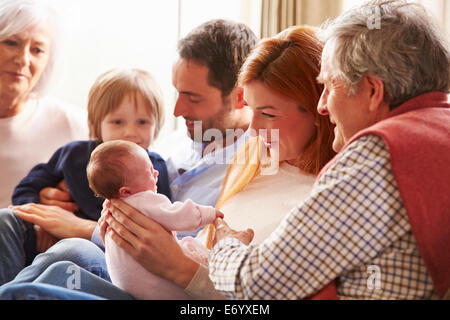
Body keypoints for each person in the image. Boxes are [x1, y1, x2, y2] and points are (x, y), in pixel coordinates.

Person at [0, 25, 337, 300]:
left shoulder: (308, 191)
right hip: (138, 262)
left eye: (266, 113)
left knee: (48, 276)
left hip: (174, 286)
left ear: (320, 108)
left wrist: (88, 228)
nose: (176, 112)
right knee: (23, 232)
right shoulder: (235, 152)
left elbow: (240, 292)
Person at [207, 0, 450, 300]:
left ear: (373, 91)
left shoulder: (375, 156)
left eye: (330, 87)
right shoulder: (438, 130)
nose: (322, 105)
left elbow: (259, 283)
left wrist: (225, 245)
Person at [0, 68, 170, 285]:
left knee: (72, 249)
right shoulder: (73, 155)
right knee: (4, 218)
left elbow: (159, 221)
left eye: (142, 122)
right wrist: (41, 223)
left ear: (157, 126)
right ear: (97, 124)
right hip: (46, 238)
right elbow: (27, 187)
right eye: (117, 122)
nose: (130, 132)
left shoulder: (155, 167)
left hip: (100, 253)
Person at [87, 140, 222, 299]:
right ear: (126, 191)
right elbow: (179, 216)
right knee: (190, 246)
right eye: (149, 172)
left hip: (125, 286)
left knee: (64, 263)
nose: (156, 173)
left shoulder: (111, 208)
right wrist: (209, 214)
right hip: (160, 290)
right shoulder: (145, 200)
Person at [0, 0, 88, 208]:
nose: (23, 60)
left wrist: (71, 196)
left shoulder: (74, 124)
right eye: (11, 42)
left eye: (37, 50)